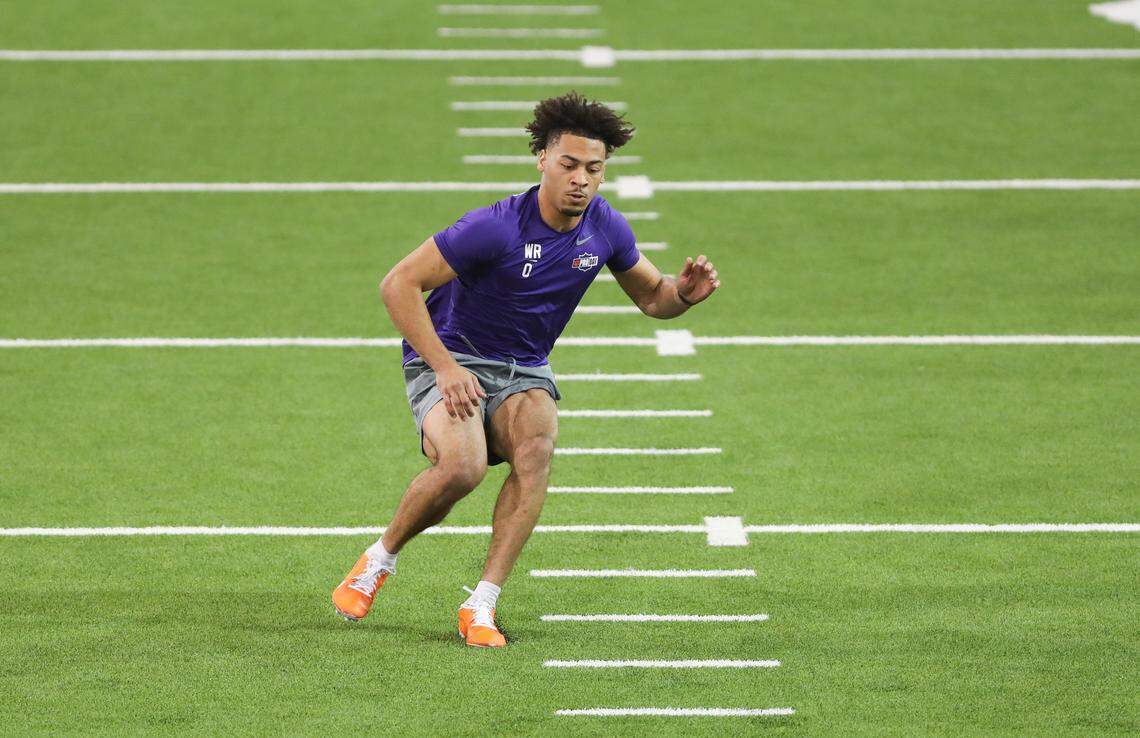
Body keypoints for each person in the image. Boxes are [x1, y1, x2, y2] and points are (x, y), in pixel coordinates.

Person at [332, 91, 720, 647]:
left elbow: (654, 298)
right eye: (568, 165)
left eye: (594, 168)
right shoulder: (494, 227)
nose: (581, 179)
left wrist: (683, 294)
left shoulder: (605, 228)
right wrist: (443, 367)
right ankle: (378, 560)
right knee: (462, 469)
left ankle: (481, 604)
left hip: (524, 368)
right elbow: (398, 284)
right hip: (451, 357)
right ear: (542, 159)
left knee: (537, 448)